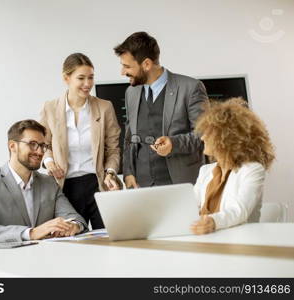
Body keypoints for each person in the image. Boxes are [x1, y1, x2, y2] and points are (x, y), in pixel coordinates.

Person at [114, 32, 208, 188]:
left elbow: (205, 135)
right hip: (142, 185)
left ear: (146, 64)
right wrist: (128, 172)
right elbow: (129, 136)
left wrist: (174, 144)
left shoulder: (190, 88)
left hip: (180, 183)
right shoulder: (131, 92)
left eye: (127, 66)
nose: (122, 72)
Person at [0, 119, 87, 243]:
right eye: (32, 144)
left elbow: (75, 219)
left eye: (43, 146)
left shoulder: (49, 184)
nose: (39, 151)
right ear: (12, 146)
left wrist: (74, 226)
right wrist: (31, 233)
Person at [40, 53, 121, 230]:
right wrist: (49, 161)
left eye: (91, 78)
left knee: (109, 238)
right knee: (72, 241)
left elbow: (113, 149)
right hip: (65, 187)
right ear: (66, 78)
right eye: (81, 78)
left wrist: (110, 173)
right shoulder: (50, 108)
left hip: (98, 184)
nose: (87, 84)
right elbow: (43, 144)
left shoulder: (104, 107)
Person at [190, 98, 275, 234]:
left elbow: (240, 210)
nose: (202, 138)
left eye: (208, 133)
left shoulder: (252, 169)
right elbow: (189, 208)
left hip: (240, 243)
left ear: (225, 137)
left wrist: (213, 222)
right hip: (206, 239)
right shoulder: (205, 171)